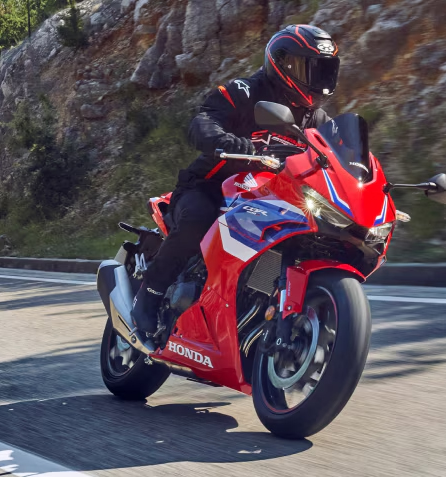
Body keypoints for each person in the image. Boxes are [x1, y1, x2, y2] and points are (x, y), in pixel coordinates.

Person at [132, 24, 341, 337]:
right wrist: (225, 141)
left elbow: (337, 162)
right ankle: (150, 295)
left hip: (270, 197)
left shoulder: (319, 121)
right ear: (283, 65)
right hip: (212, 187)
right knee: (198, 218)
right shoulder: (246, 92)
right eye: (311, 69)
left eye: (326, 71)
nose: (320, 80)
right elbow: (203, 119)